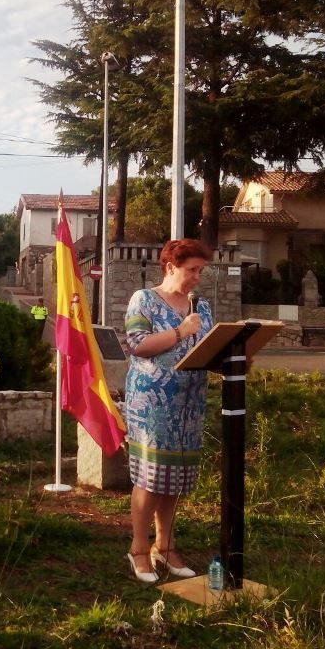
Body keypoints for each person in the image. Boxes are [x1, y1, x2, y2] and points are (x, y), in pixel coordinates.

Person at [123, 238, 214, 583]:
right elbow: (138, 345)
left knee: (173, 478)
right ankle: (138, 548)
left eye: (200, 271)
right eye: (192, 270)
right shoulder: (143, 299)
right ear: (170, 266)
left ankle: (166, 544)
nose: (196, 277)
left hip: (188, 405)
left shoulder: (201, 307)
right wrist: (179, 331)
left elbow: (208, 346)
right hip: (151, 405)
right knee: (150, 476)